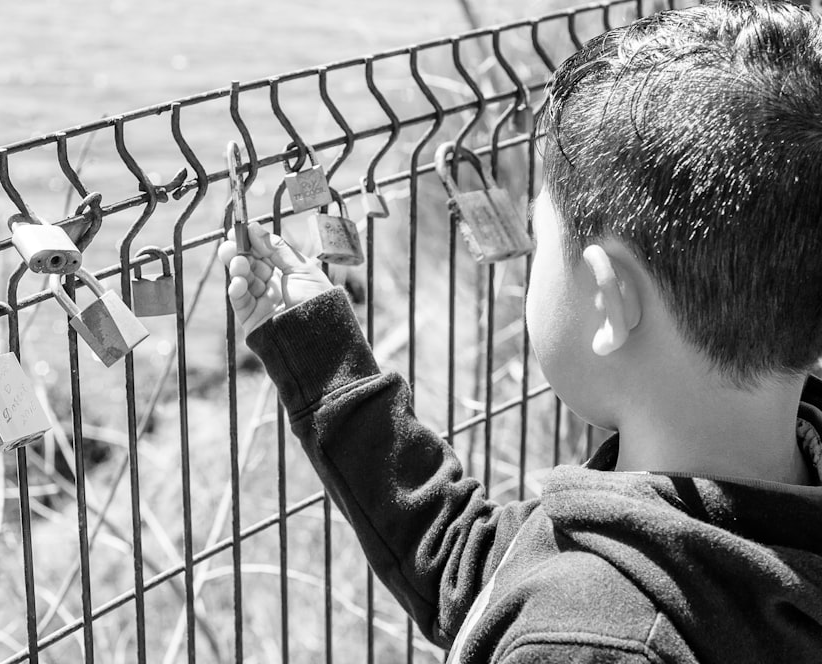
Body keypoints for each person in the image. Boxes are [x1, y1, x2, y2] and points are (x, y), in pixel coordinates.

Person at [217, 1, 822, 661]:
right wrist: (316, 346)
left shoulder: (592, 639)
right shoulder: (770, 496)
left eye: (540, 241)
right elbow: (484, 578)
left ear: (608, 298)